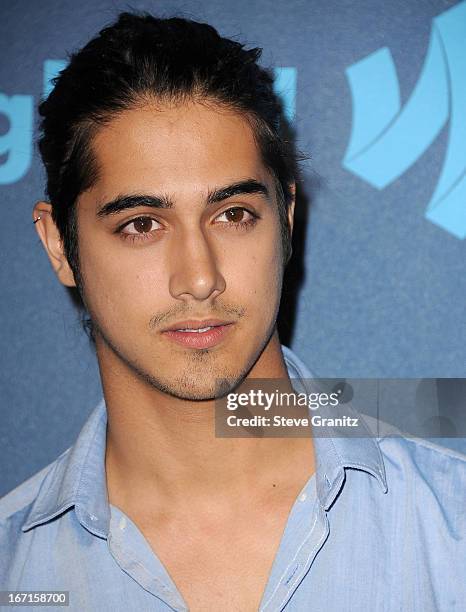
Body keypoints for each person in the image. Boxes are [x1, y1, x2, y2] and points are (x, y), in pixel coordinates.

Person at [1, 11, 464, 612]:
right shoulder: (14, 571)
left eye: (234, 215)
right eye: (142, 225)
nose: (199, 277)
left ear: (287, 216)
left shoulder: (451, 531)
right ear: (60, 246)